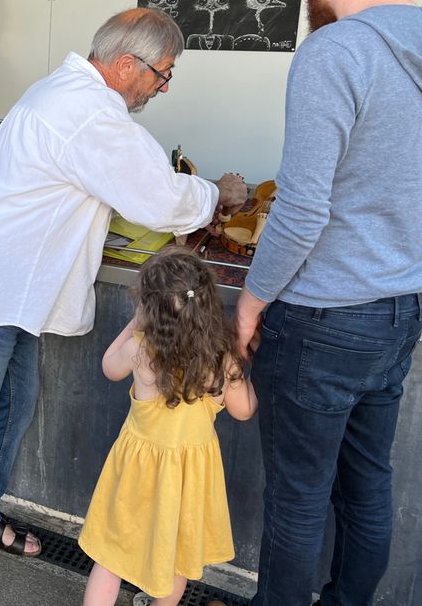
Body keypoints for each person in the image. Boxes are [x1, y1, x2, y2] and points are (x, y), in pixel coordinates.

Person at [0, 7, 249, 596]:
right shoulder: (85, 112)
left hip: (19, 286)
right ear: (128, 64)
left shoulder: (74, 96)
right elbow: (157, 197)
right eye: (163, 74)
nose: (163, 87)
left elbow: (129, 178)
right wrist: (219, 194)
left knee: (15, 407)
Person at [233, 0, 422, 606]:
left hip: (322, 319)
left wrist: (251, 300)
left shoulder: (332, 52)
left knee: (300, 498)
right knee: (368, 484)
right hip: (401, 307)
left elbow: (301, 210)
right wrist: (389, 242)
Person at [80, 247, 257, 606]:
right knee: (178, 558)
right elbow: (245, 410)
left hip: (137, 471)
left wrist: (135, 324)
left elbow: (108, 367)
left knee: (112, 555)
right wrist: (242, 359)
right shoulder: (222, 359)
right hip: (190, 478)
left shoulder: (141, 349)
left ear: (149, 309)